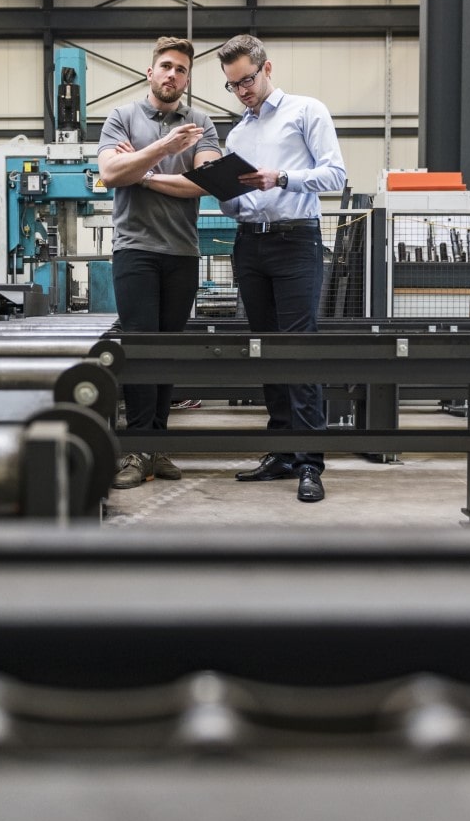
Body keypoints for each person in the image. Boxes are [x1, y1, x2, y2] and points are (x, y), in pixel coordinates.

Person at [216, 33, 347, 503]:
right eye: (233, 85)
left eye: (247, 81)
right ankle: (283, 452)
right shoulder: (237, 134)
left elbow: (335, 174)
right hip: (250, 244)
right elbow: (239, 204)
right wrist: (223, 194)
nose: (242, 92)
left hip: (295, 242)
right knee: (267, 350)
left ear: (267, 68)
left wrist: (282, 177)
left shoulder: (306, 111)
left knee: (298, 349)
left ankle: (310, 462)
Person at [97, 36, 222, 489]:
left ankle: (157, 446)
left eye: (181, 69)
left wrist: (143, 173)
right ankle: (136, 449)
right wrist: (166, 148)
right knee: (139, 349)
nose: (172, 74)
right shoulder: (121, 117)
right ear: (150, 72)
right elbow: (110, 173)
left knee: (167, 351)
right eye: (166, 66)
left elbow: (207, 183)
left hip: (182, 252)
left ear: (188, 79)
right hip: (135, 250)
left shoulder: (201, 123)